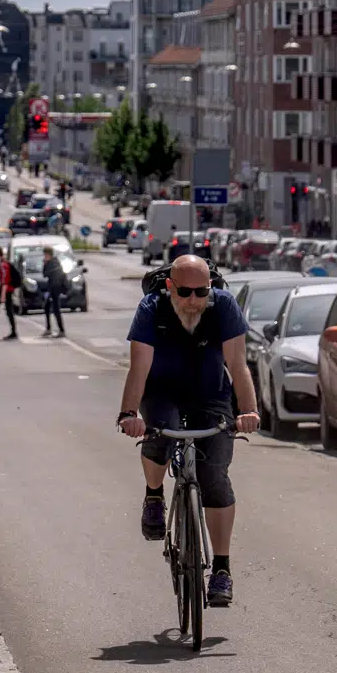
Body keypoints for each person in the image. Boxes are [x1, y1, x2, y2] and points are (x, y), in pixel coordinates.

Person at [115, 255, 260, 606]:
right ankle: (154, 495)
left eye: (201, 292)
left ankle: (221, 570)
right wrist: (129, 413)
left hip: (210, 395)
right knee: (158, 439)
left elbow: (237, 365)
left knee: (214, 477)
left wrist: (249, 410)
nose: (194, 300)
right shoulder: (151, 309)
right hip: (162, 391)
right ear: (169, 287)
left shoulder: (223, 306)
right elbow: (139, 368)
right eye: (185, 292)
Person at [41, 246, 67, 338]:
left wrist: (45, 264)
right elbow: (45, 274)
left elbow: (46, 274)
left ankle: (61, 330)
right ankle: (49, 328)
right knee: (47, 307)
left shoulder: (53, 263)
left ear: (48, 254)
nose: (44, 256)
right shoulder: (54, 262)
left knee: (56, 309)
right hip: (52, 288)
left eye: (45, 254)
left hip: (54, 289)